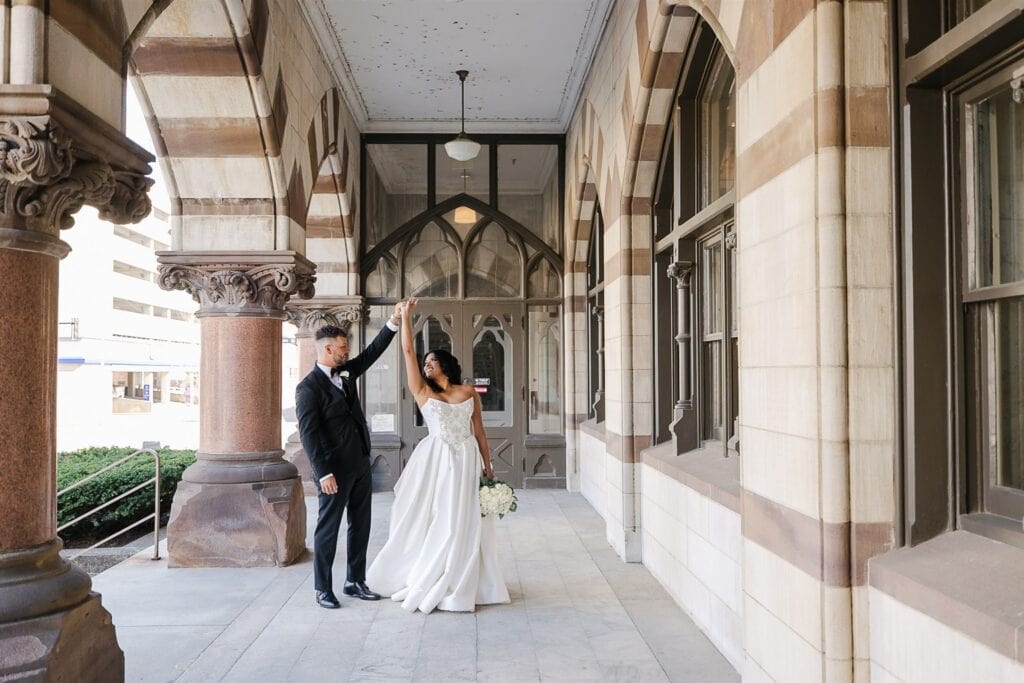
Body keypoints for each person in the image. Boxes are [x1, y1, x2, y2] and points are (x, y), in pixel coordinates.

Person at [366, 297, 510, 613]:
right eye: (425, 361)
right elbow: (407, 353)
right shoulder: (423, 391)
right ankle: (434, 572)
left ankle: (464, 577)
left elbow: (480, 432)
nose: (426, 364)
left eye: (432, 360)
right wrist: (406, 317)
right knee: (441, 517)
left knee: (467, 519)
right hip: (439, 461)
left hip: (468, 459)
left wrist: (489, 466)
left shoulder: (469, 392)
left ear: (446, 364)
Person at [295, 302, 402, 609]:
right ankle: (323, 589)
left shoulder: (345, 372)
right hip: (333, 472)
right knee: (328, 530)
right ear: (328, 350)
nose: (347, 351)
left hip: (359, 464)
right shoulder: (308, 388)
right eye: (343, 347)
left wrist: (393, 322)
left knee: (361, 524)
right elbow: (309, 434)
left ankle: (355, 581)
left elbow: (371, 355)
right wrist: (323, 472)